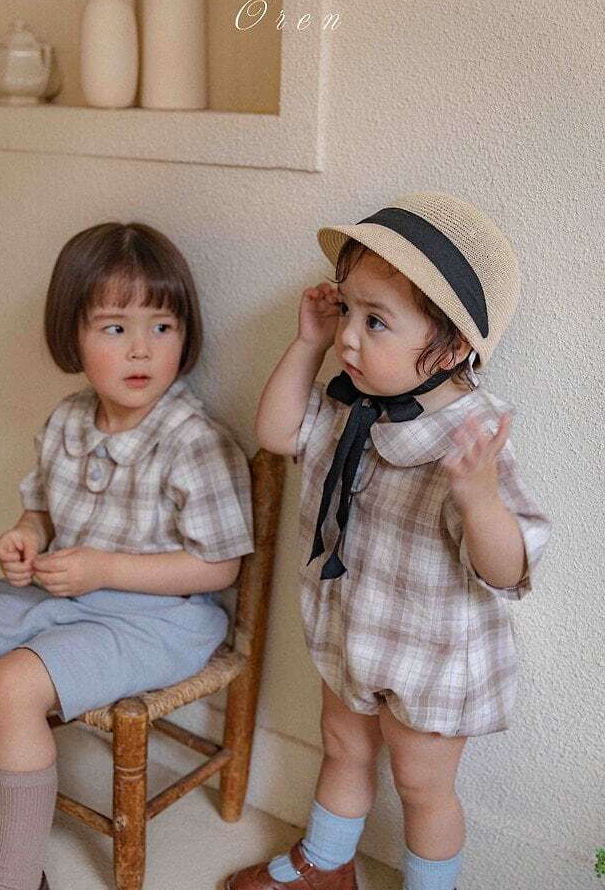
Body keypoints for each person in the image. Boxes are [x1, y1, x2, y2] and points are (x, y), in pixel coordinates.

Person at [225, 192, 550, 890]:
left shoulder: (473, 436)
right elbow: (276, 434)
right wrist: (307, 344)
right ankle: (327, 864)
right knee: (341, 746)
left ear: (453, 347)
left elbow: (507, 570)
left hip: (434, 657)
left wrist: (479, 499)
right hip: (354, 630)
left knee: (422, 786)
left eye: (375, 320)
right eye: (345, 309)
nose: (349, 336)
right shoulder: (350, 403)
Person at [0, 222, 253, 890]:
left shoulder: (193, 443)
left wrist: (104, 569)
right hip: (63, 593)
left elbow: (221, 566)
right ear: (74, 337)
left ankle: (18, 873)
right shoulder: (67, 421)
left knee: (10, 685)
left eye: (162, 327)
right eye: (115, 328)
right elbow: (41, 509)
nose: (142, 349)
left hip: (159, 617)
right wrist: (26, 537)